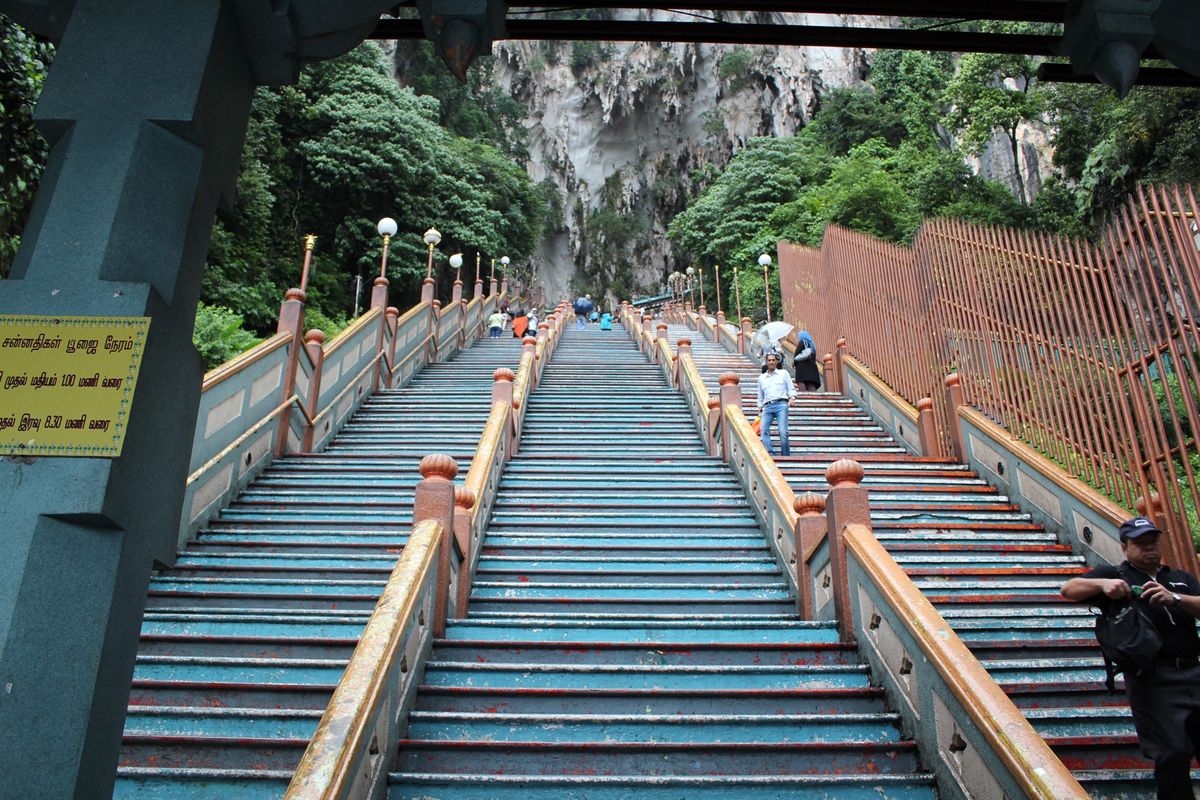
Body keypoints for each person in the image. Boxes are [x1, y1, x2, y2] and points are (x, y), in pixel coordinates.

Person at [1061, 517, 1200, 800]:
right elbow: (1069, 589)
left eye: (1153, 542)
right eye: (1140, 543)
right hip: (1152, 678)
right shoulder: (1117, 574)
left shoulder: (1180, 579)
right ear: (1125, 547)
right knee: (1172, 752)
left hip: (1194, 669)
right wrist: (1104, 585)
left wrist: (1174, 597)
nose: (1149, 548)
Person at [756, 352, 795, 456]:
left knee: (783, 432)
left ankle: (785, 456)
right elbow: (760, 395)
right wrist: (759, 407)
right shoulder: (761, 378)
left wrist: (792, 398)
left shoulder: (784, 373)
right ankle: (771, 453)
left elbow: (790, 388)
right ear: (766, 362)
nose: (771, 362)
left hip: (781, 404)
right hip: (767, 406)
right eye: (769, 360)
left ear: (777, 361)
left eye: (773, 360)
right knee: (763, 430)